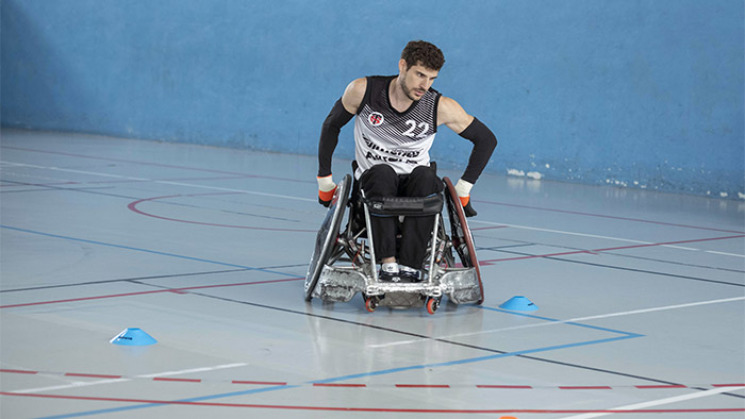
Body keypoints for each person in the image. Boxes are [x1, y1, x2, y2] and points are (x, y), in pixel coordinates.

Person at [316, 40, 497, 282]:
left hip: (414, 182)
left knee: (426, 178)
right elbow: (331, 126)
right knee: (382, 172)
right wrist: (324, 179)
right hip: (373, 180)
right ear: (403, 66)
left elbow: (486, 140)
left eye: (432, 78)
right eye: (420, 75)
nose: (425, 85)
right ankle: (388, 264)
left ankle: (411, 267)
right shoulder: (364, 91)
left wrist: (464, 187)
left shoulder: (439, 106)